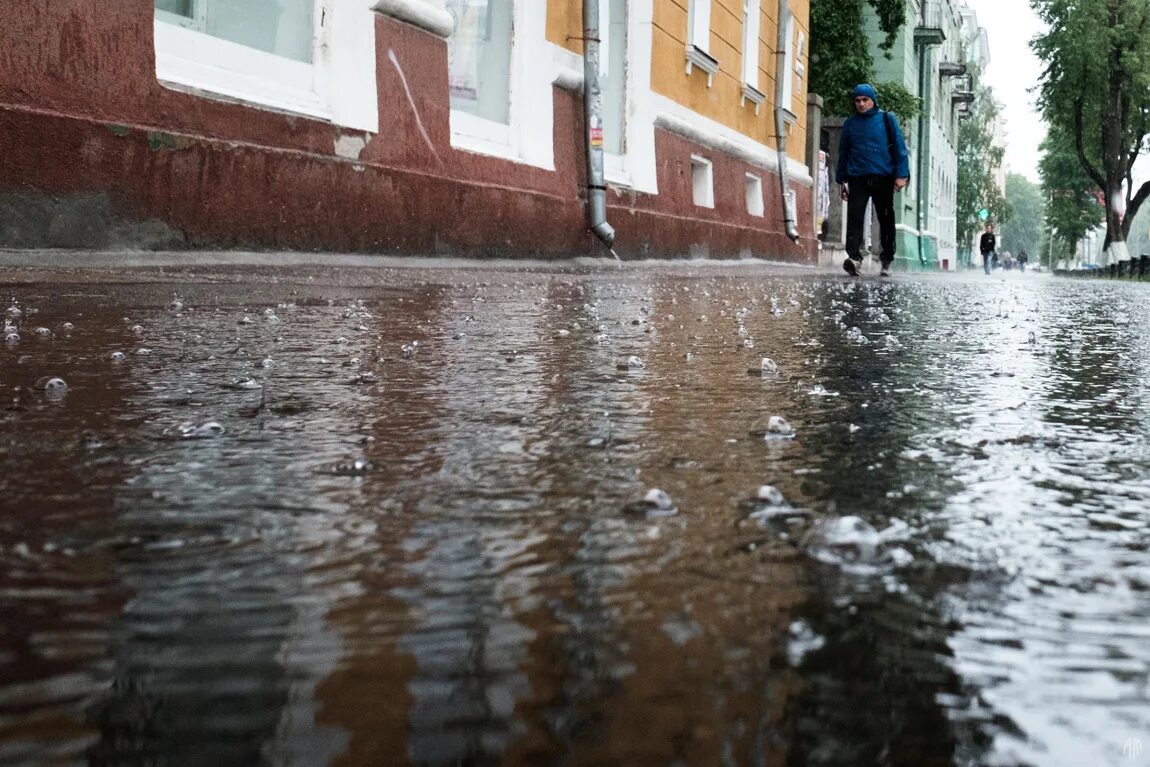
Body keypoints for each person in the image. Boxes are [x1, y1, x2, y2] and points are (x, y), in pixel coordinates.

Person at [836, 83, 910, 278]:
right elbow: (843, 152)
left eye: (865, 100)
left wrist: (901, 175)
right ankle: (854, 259)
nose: (861, 104)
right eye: (857, 100)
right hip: (857, 178)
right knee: (855, 219)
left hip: (883, 177)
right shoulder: (850, 124)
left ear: (873, 100)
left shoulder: (887, 119)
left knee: (886, 219)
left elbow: (899, 148)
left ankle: (886, 260)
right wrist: (841, 180)